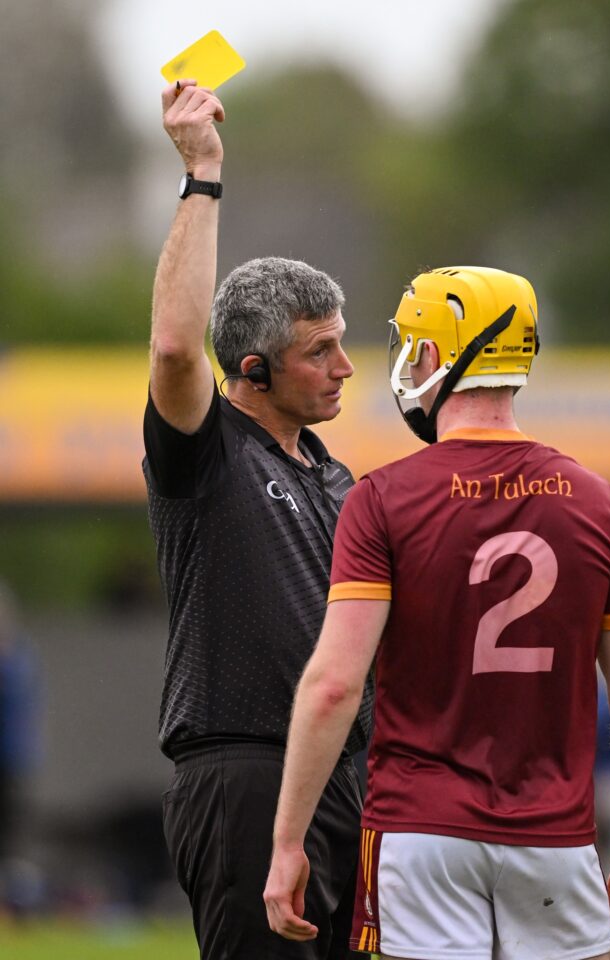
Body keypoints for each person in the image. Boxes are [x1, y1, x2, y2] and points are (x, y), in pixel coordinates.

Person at [264, 266, 610, 960]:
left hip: (419, 833)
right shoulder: (600, 503)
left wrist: (287, 841)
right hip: (555, 839)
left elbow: (333, 685)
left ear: (433, 355)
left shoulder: (380, 500)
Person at [142, 79, 373, 960]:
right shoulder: (207, 452)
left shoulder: (337, 475)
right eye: (320, 350)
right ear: (252, 368)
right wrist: (203, 173)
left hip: (348, 776)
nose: (345, 367)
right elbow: (174, 347)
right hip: (245, 775)